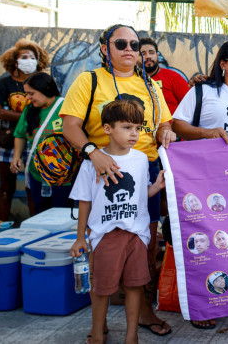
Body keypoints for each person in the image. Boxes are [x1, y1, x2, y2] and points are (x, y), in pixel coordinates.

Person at [60, 24, 175, 336]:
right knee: (103, 245)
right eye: (121, 43)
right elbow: (70, 125)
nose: (129, 50)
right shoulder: (89, 80)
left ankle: (142, 311)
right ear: (105, 47)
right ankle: (102, 322)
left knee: (144, 246)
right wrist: (92, 153)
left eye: (135, 45)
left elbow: (166, 122)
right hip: (100, 167)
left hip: (145, 168)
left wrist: (166, 130)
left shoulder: (151, 85)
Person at [69, 99, 167, 344]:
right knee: (101, 289)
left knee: (135, 287)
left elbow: (140, 193)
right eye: (126, 127)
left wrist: (156, 187)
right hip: (105, 235)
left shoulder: (142, 159)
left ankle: (131, 336)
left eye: (137, 128)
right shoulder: (92, 162)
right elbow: (84, 201)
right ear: (107, 129)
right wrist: (81, 237)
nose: (134, 133)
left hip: (137, 234)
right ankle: (97, 333)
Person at [0, 39, 49, 220]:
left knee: (34, 188)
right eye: (24, 57)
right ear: (15, 62)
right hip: (8, 142)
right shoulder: (4, 85)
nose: (29, 60)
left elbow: (49, 110)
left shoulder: (44, 83)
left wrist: (11, 114)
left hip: (35, 140)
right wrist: (29, 114)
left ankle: (35, 229)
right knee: (6, 188)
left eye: (32, 57)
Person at [10, 72, 71, 215]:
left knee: (61, 214)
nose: (28, 98)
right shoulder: (30, 110)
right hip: (36, 173)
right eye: (26, 94)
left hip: (62, 175)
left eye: (32, 93)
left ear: (45, 89)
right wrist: (16, 156)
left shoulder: (65, 107)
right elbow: (20, 135)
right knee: (40, 212)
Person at [139, 37, 189, 114]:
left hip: (171, 125)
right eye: (143, 54)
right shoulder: (132, 79)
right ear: (136, 57)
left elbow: (189, 105)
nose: (148, 56)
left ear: (157, 55)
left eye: (151, 52)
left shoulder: (174, 77)